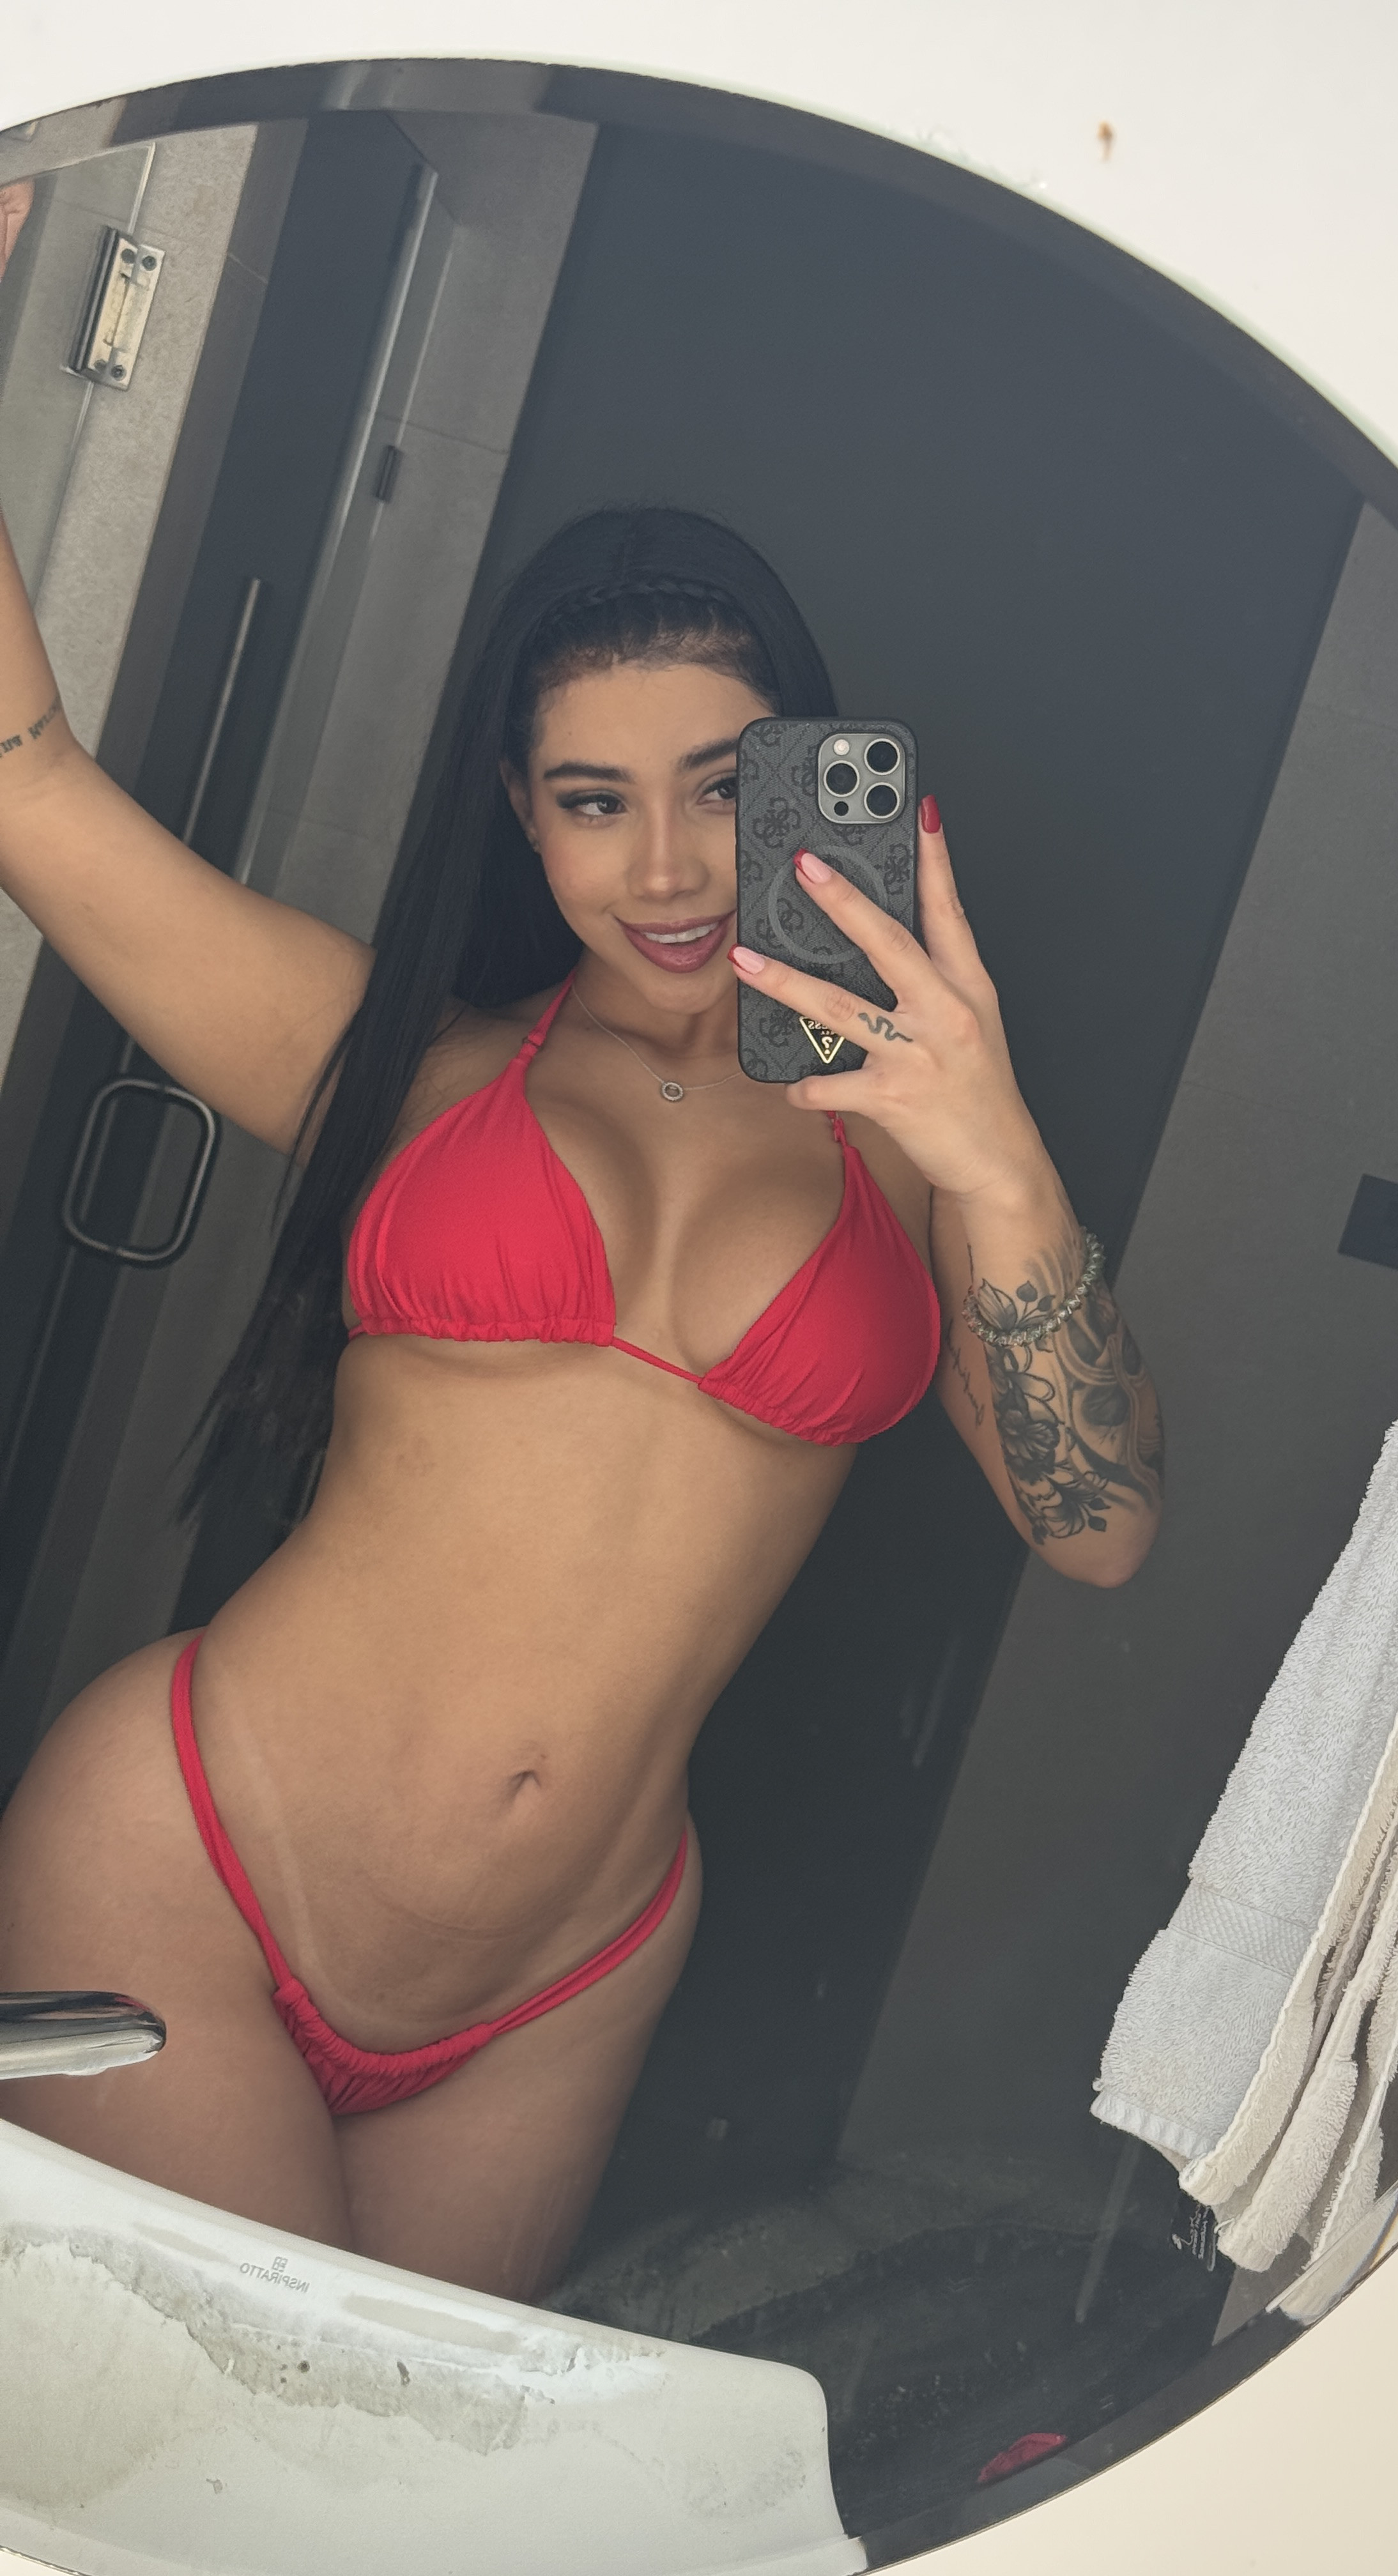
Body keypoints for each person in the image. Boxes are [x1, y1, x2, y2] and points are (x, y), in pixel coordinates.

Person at [0, 285, 1162, 2296]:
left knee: (385, 2462)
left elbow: (1104, 1533)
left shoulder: (915, 1151)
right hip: (193, 1866)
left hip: (559, 1984)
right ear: (520, 813)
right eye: (594, 800)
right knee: (227, 2447)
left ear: (806, 787)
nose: (669, 869)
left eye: (720, 786)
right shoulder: (400, 1065)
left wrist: (993, 1144)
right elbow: (25, 781)